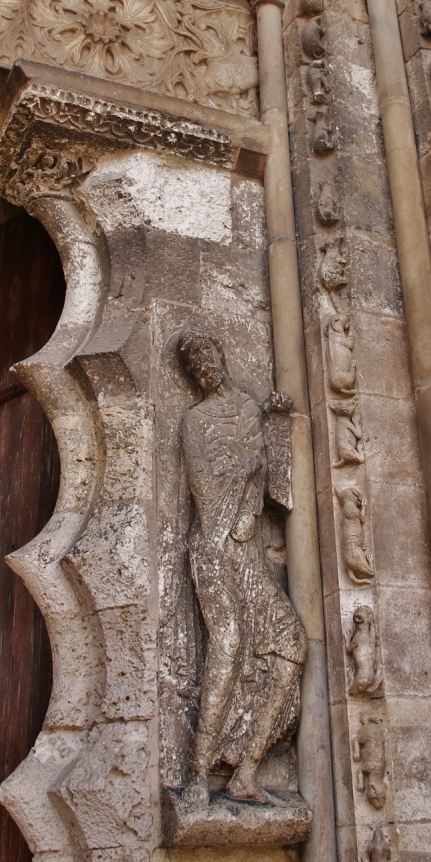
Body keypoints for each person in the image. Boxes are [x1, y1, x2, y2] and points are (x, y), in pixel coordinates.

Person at [177, 324, 306, 808]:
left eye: (207, 356)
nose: (203, 368)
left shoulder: (249, 408)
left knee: (291, 645)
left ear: (220, 354)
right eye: (194, 366)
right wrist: (244, 468)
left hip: (246, 551)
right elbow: (205, 493)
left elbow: (278, 492)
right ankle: (196, 771)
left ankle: (246, 770)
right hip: (212, 550)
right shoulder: (195, 421)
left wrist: (275, 426)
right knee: (227, 645)